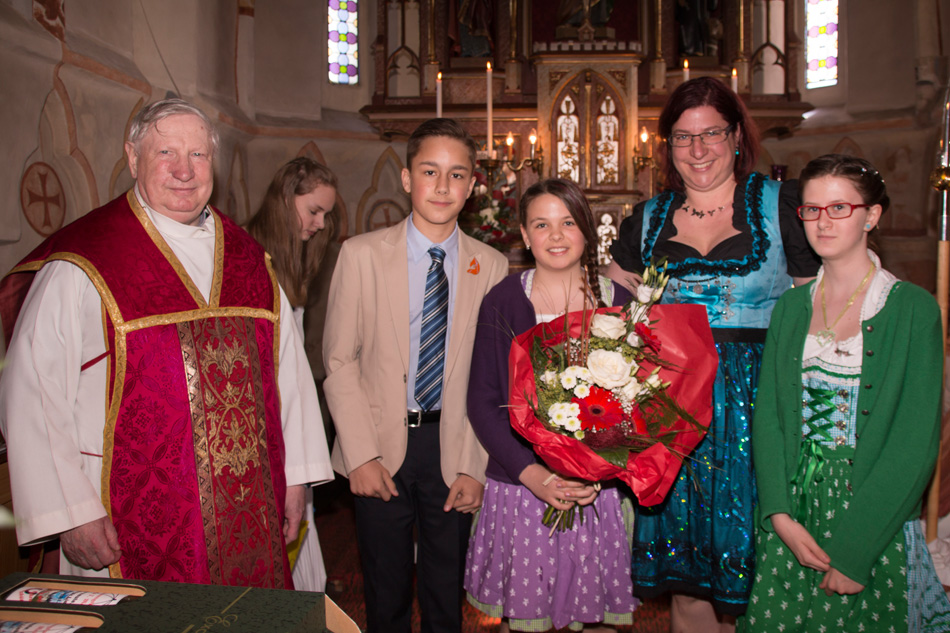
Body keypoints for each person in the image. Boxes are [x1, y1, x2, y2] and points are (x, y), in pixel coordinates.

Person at [0, 98, 332, 587]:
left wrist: (296, 479)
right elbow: (32, 389)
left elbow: (290, 380)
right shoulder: (86, 259)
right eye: (166, 153)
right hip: (121, 517)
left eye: (198, 155)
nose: (184, 171)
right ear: (132, 157)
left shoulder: (249, 260)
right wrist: (69, 512)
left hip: (245, 513)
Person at [607, 77, 819, 631]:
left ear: (737, 136)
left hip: (761, 407)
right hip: (674, 409)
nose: (697, 150)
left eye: (712, 134)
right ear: (668, 145)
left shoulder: (782, 205)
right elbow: (610, 314)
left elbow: (816, 314)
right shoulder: (647, 219)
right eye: (683, 137)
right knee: (688, 581)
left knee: (758, 574)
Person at [738, 154, 950, 631]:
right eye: (812, 210)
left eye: (839, 208)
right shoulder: (791, 306)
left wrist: (856, 551)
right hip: (795, 511)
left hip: (872, 514)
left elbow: (913, 444)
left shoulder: (912, 309)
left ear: (871, 216)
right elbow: (769, 418)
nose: (823, 222)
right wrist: (779, 514)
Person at [322, 118, 508, 632]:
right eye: (430, 171)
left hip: (453, 444)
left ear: (471, 186)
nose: (443, 186)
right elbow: (339, 360)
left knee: (446, 594)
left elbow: (493, 376)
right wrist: (360, 454)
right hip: (378, 443)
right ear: (407, 178)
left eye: (457, 175)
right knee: (385, 591)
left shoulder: (491, 265)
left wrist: (474, 466)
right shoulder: (361, 255)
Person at [464, 178, 638, 632]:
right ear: (525, 235)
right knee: (526, 619)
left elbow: (641, 400)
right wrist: (533, 474)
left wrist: (599, 468)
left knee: (597, 619)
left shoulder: (619, 302)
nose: (556, 235)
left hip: (598, 491)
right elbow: (483, 400)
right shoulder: (503, 301)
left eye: (568, 223)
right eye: (542, 224)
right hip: (522, 488)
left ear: (587, 231)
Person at [246, 156, 339, 592]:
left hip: (288, 420)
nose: (320, 224)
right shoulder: (247, 259)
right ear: (286, 199)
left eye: (325, 215)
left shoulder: (289, 265)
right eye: (313, 211)